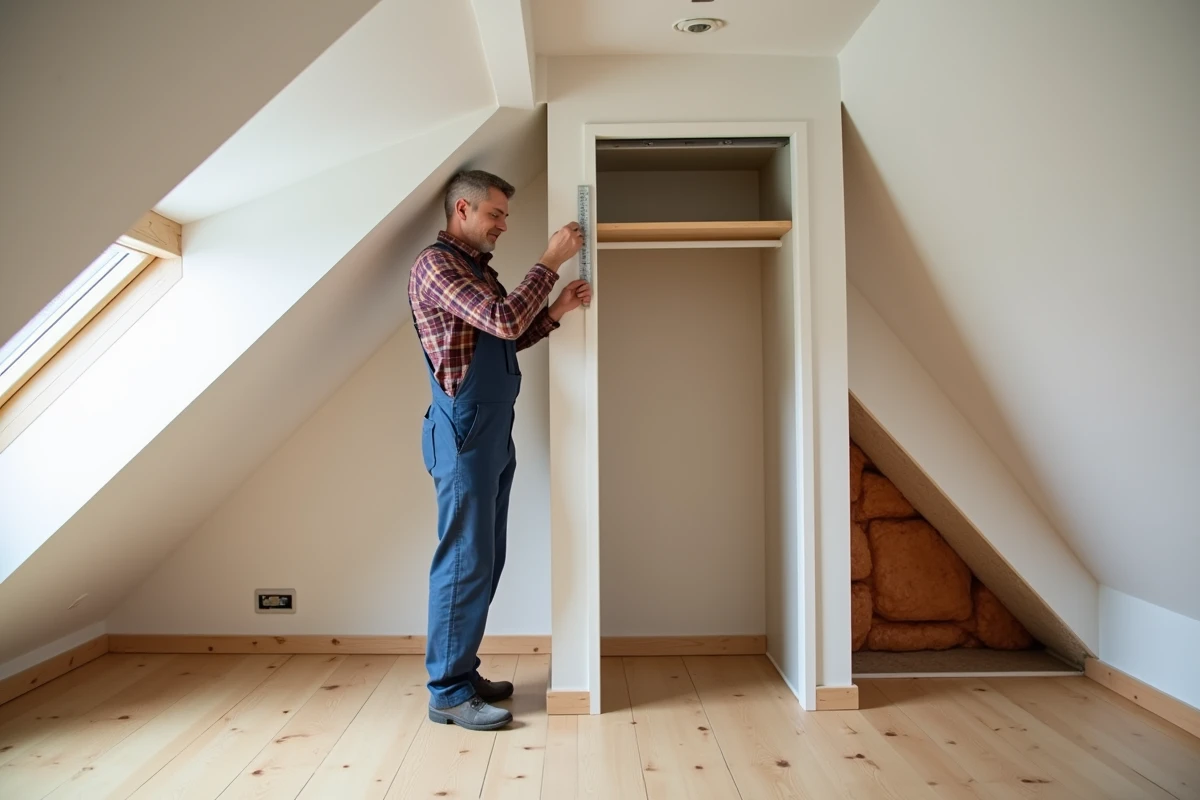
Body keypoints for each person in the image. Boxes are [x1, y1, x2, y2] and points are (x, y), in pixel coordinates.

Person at [408, 170, 588, 731]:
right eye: (496, 214)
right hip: (463, 433)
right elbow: (505, 319)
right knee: (463, 562)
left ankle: (462, 672)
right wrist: (551, 259)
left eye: (505, 216)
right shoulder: (435, 267)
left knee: (486, 559)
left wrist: (555, 312)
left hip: (490, 432)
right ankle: (447, 692)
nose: (503, 225)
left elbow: (504, 335)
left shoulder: (474, 271)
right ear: (462, 210)